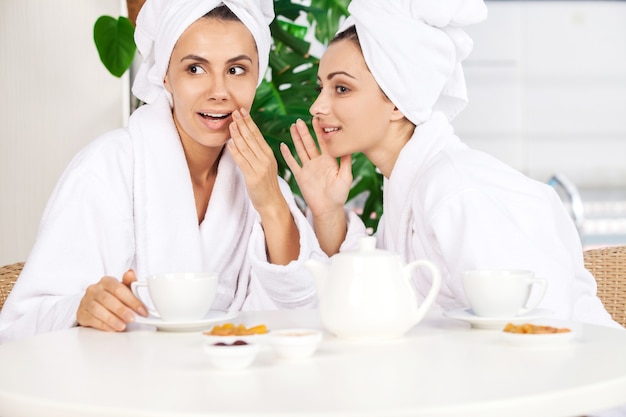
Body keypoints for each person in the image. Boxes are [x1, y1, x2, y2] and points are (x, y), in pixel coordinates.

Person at [281, 0, 622, 330]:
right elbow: (373, 301)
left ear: (398, 100)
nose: (317, 106)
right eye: (321, 87)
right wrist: (327, 211)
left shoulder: (455, 189)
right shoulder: (410, 189)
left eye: (341, 88)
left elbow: (534, 322)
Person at [0, 0, 324, 343]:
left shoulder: (258, 177)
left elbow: (301, 308)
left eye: (236, 70)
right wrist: (80, 308)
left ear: (257, 75)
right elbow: (19, 323)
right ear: (165, 75)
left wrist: (271, 201)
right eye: (195, 69)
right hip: (119, 386)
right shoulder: (106, 167)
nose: (219, 92)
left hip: (228, 384)